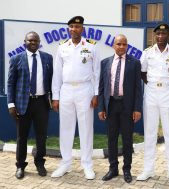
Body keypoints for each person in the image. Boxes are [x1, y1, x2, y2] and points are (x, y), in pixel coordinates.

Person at [51, 16, 100, 180]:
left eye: (77, 27)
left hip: (85, 89)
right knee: (65, 128)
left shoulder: (91, 47)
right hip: (66, 90)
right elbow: (57, 73)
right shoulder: (62, 47)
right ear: (68, 29)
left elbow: (96, 72)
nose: (74, 29)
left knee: (86, 128)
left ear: (82, 29)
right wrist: (55, 96)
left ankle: (87, 165)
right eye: (71, 26)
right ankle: (65, 163)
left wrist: (96, 93)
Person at [137, 23, 169, 185]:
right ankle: (148, 169)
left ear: (168, 35)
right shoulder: (147, 53)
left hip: (168, 92)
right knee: (149, 132)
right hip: (150, 92)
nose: (160, 37)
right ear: (154, 36)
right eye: (158, 34)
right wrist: (151, 84)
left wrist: (167, 84)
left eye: (164, 34)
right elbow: (142, 72)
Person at [7, 31, 53, 179]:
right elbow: (11, 83)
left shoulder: (47, 58)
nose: (33, 43)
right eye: (30, 40)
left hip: (41, 103)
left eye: (36, 41)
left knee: (41, 136)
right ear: (24, 42)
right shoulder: (16, 59)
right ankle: (20, 165)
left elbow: (52, 80)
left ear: (39, 42)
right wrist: (11, 104)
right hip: (22, 104)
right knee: (22, 136)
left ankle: (40, 162)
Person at [98, 34, 142, 183]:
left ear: (127, 46)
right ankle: (113, 169)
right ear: (113, 45)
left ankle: (127, 170)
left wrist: (137, 108)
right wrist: (101, 107)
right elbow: (102, 86)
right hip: (111, 105)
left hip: (127, 106)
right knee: (111, 139)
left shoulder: (134, 63)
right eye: (119, 44)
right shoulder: (105, 63)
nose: (121, 47)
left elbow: (138, 88)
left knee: (127, 139)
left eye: (124, 44)